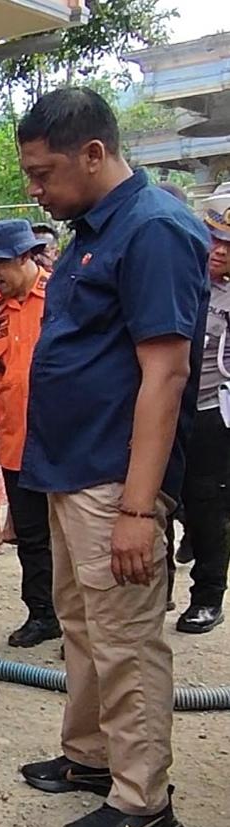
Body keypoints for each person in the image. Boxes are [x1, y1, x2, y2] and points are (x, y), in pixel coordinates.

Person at [14, 87, 207, 827]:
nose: (34, 187)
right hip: (69, 469)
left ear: (93, 154)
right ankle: (90, 757)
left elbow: (163, 376)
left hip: (111, 476)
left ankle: (143, 799)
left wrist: (136, 508)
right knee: (82, 627)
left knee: (125, 640)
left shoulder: (154, 229)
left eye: (43, 171)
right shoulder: (93, 228)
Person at [0, 219, 59, 648]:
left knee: (73, 538)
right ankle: (42, 614)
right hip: (18, 446)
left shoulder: (64, 296)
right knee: (33, 538)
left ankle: (80, 622)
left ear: (26, 257)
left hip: (67, 445)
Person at [177, 193, 230, 634]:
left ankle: (208, 596)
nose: (219, 251)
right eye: (215, 239)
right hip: (166, 408)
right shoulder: (178, 275)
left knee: (210, 507)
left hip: (214, 413)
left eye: (229, 245)